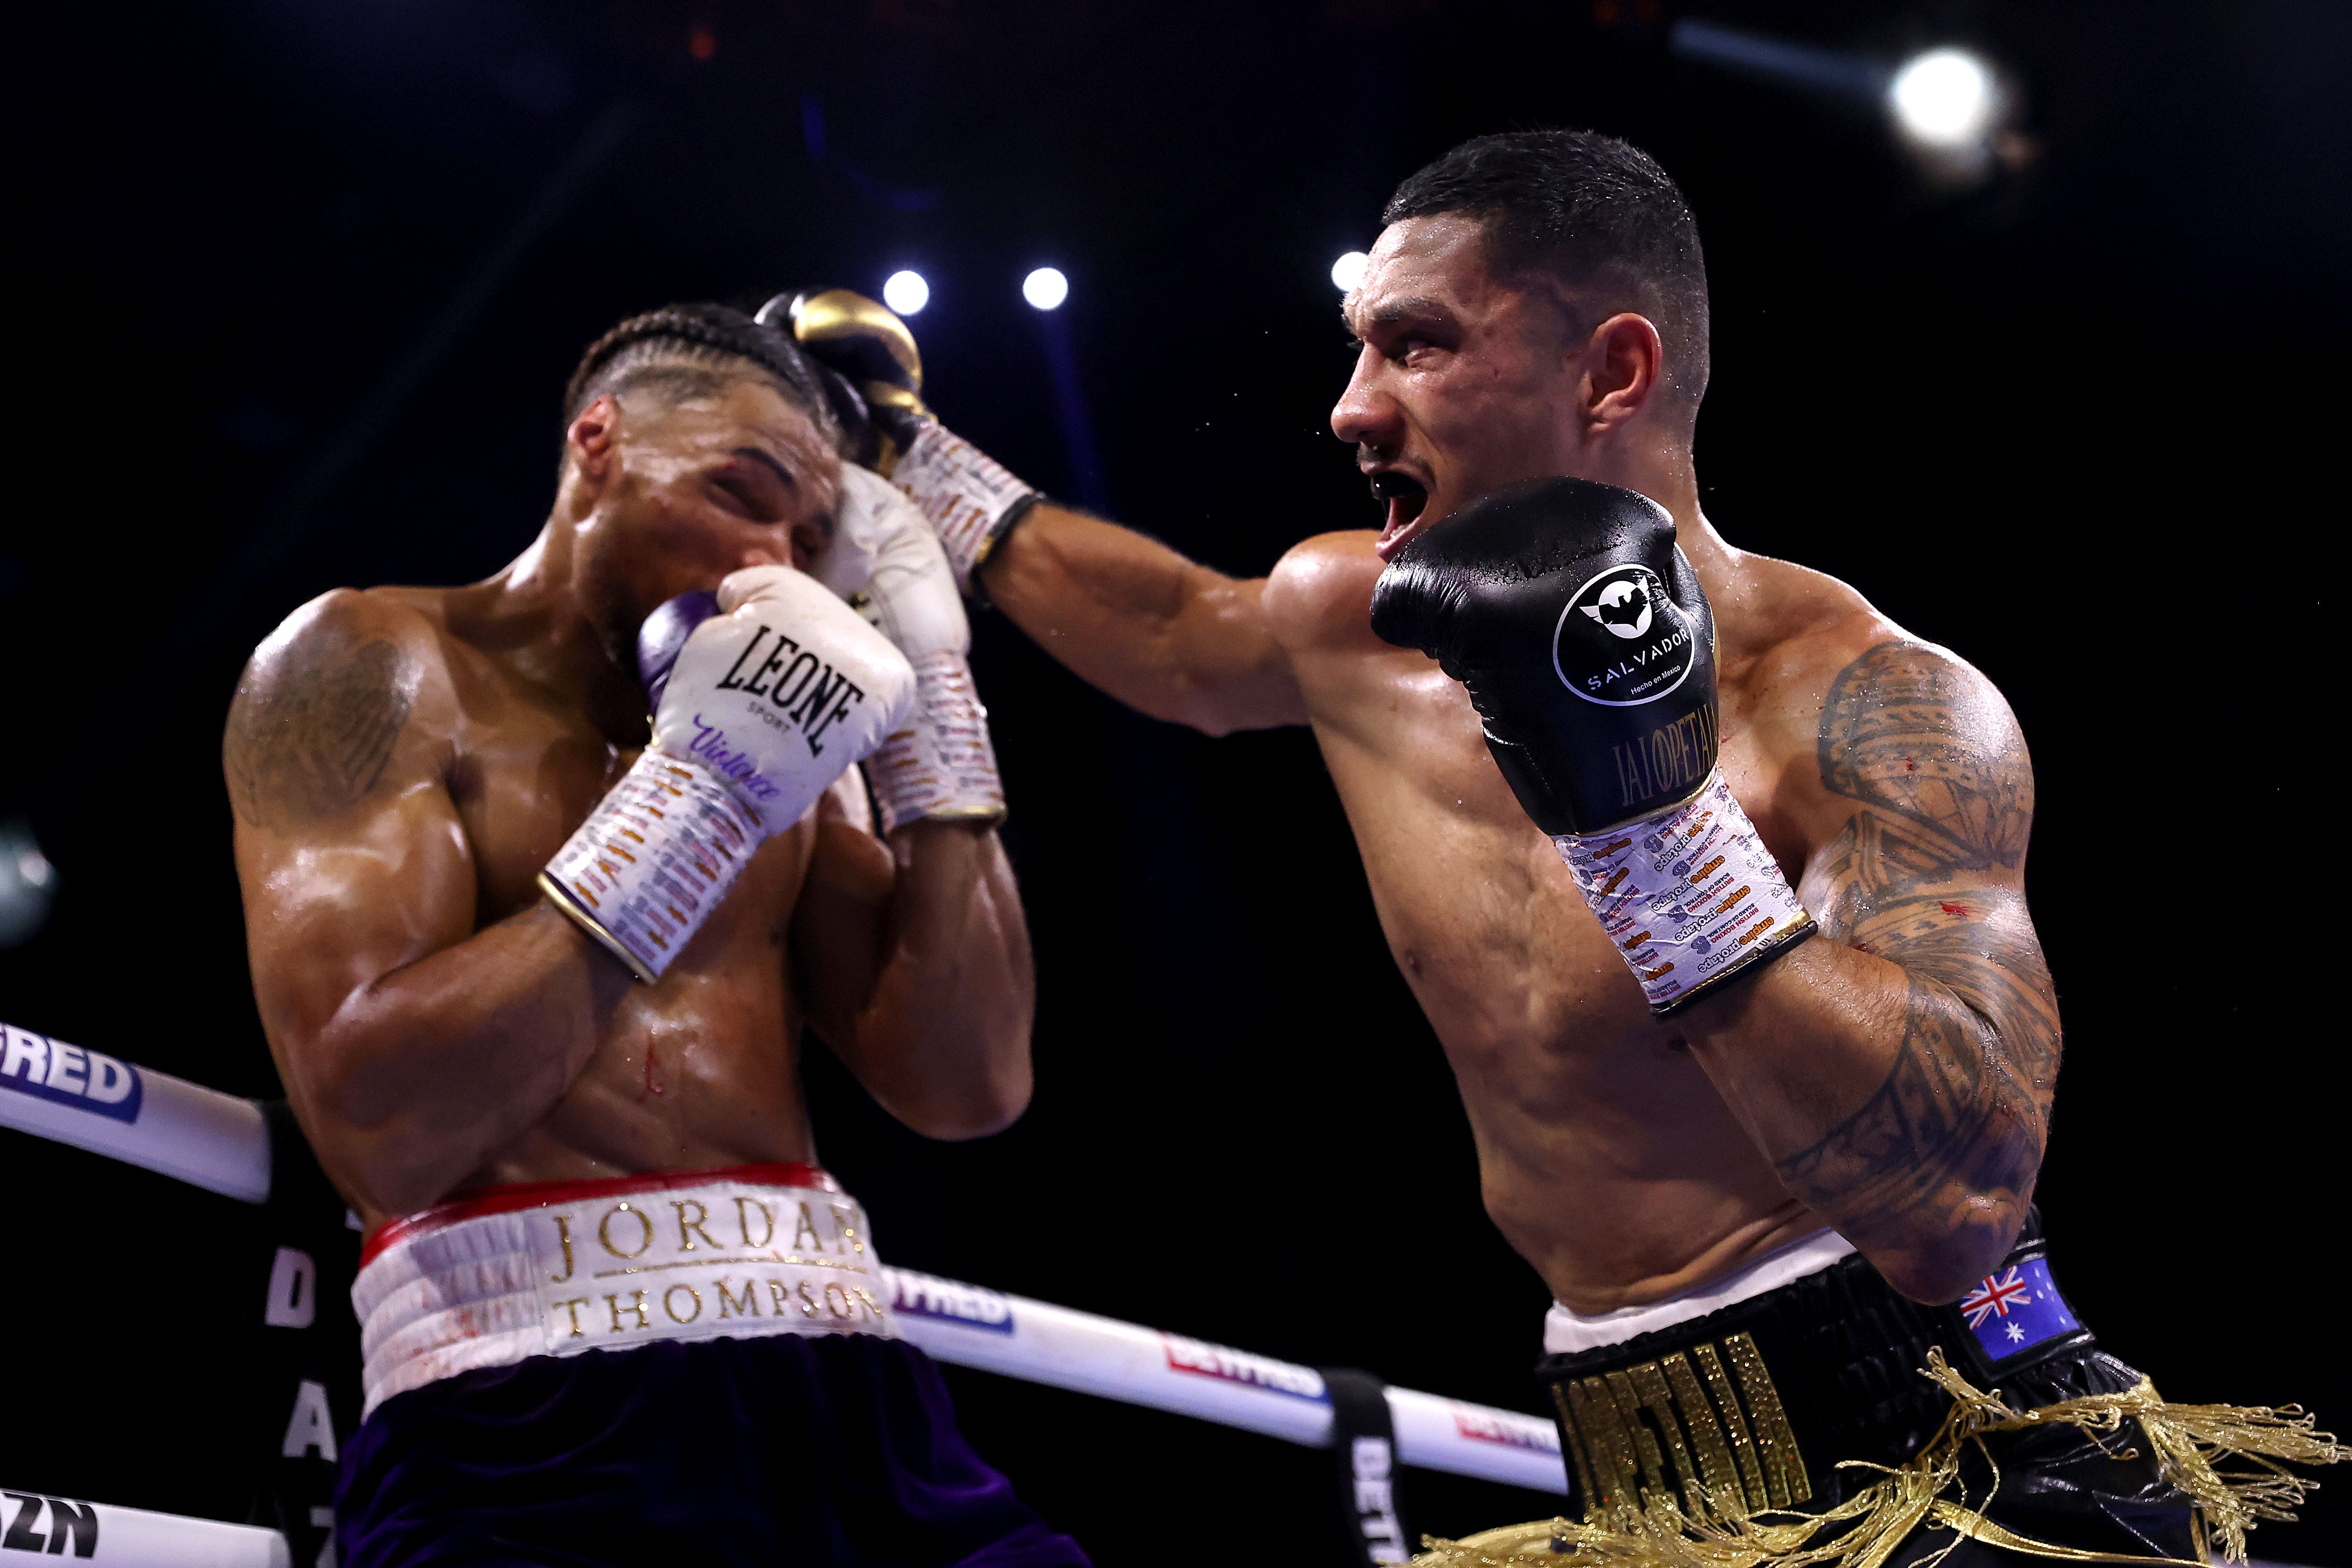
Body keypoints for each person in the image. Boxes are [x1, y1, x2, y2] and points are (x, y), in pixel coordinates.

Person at [785, 134, 2337, 1564]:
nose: (1349, 407)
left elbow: (1956, 1214)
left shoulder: (1863, 704)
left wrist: (1648, 820)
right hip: (1624, 1435)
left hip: (1939, 1425)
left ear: (1611, 369)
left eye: (1417, 343)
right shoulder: (1357, 617)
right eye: (1356, 346)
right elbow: (1177, 637)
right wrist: (910, 447)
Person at [227, 303, 1088, 1568]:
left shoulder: (779, 727)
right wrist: (696, 801)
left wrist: (929, 694)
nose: (778, 563)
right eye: (744, 494)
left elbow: (967, 1082)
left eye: (812, 540)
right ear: (598, 440)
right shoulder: (375, 658)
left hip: (853, 1402)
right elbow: (382, 1128)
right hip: (526, 1422)